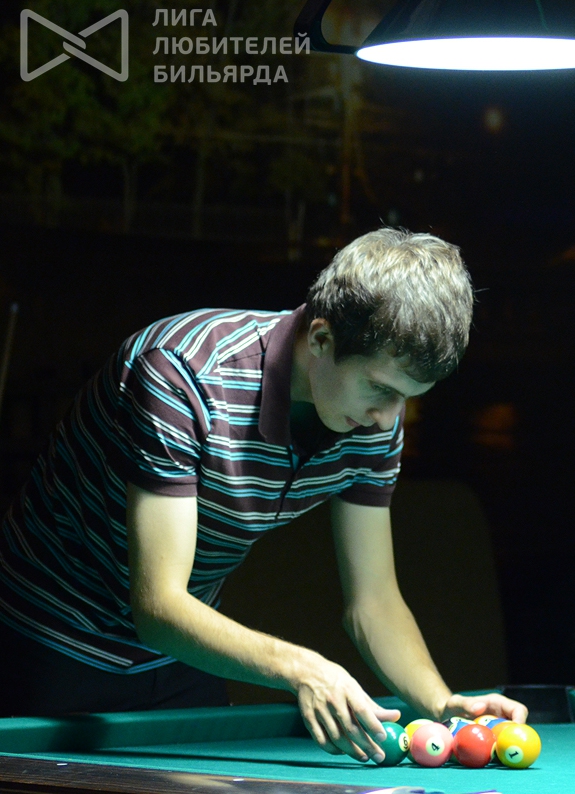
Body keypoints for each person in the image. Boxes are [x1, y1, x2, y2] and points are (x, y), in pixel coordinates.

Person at [0, 228, 527, 762]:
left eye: (409, 399)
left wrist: (441, 704)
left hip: (179, 657)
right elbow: (158, 605)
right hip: (46, 640)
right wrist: (301, 668)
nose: (390, 418)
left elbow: (373, 602)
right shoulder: (181, 374)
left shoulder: (373, 423)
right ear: (321, 340)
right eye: (382, 389)